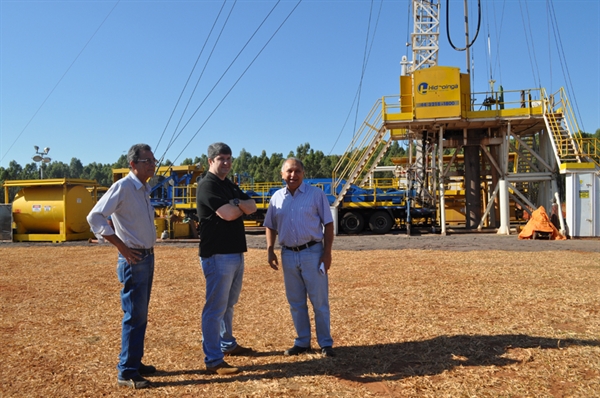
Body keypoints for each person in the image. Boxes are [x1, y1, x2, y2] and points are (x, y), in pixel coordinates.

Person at [86, 143, 158, 389]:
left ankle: (134, 362)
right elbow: (94, 216)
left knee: (140, 315)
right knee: (133, 315)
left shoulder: (143, 189)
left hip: (146, 257)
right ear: (133, 164)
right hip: (134, 258)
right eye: (147, 160)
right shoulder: (123, 187)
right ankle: (126, 371)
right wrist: (121, 246)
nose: (153, 163)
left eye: (153, 159)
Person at [264, 157, 336, 357]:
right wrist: (270, 249)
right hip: (288, 254)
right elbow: (270, 224)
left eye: (297, 171)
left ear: (304, 174)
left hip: (313, 253)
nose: (293, 175)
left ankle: (325, 343)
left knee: (319, 301)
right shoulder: (277, 198)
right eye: (289, 171)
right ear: (282, 174)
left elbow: (328, 224)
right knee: (296, 302)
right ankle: (303, 341)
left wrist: (327, 253)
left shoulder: (316, 195)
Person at [196, 142, 257, 375]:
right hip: (217, 255)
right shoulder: (207, 185)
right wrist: (237, 206)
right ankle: (213, 359)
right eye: (222, 159)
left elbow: (251, 206)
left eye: (229, 159)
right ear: (210, 161)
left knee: (228, 304)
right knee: (215, 308)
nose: (226, 163)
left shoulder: (228, 185)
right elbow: (229, 214)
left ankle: (227, 344)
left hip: (234, 252)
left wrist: (237, 204)